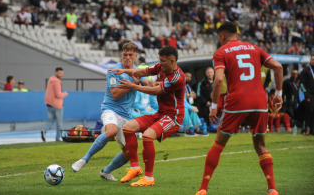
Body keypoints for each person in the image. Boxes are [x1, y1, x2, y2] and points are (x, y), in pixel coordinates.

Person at [195, 22, 283, 195]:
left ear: (221, 36)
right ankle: (272, 188)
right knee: (260, 145)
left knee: (219, 143)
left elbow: (219, 80)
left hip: (237, 102)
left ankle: (203, 189)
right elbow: (278, 66)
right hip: (259, 102)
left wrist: (213, 107)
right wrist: (278, 93)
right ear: (237, 34)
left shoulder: (220, 52)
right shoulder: (256, 49)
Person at [71, 42, 150, 181]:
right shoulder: (113, 71)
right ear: (121, 55)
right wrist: (133, 84)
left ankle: (106, 172)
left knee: (129, 152)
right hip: (110, 109)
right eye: (125, 54)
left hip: (126, 115)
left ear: (136, 56)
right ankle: (84, 159)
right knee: (111, 131)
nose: (127, 57)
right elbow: (115, 94)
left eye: (130, 55)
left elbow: (148, 84)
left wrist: (149, 82)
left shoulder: (137, 70)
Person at [110, 46, 186, 187]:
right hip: (161, 113)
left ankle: (149, 177)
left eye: (163, 61)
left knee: (147, 136)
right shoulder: (160, 67)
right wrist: (125, 70)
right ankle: (134, 167)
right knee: (128, 128)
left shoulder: (177, 77)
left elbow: (156, 90)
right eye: (160, 60)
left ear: (172, 61)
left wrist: (133, 86)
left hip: (173, 117)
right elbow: (143, 71)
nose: (160, 63)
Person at [41, 67, 69, 142]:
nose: (61, 74)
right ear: (56, 73)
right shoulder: (57, 81)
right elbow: (58, 95)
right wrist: (65, 94)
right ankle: (57, 138)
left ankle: (44, 130)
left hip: (49, 104)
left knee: (51, 120)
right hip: (57, 104)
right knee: (59, 122)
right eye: (60, 73)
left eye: (62, 73)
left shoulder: (50, 80)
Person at [299, 55, 314, 135]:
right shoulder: (306, 71)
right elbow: (301, 83)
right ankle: (304, 129)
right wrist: (305, 93)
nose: (313, 60)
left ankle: (312, 130)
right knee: (309, 111)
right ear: (310, 60)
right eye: (312, 59)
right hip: (309, 94)